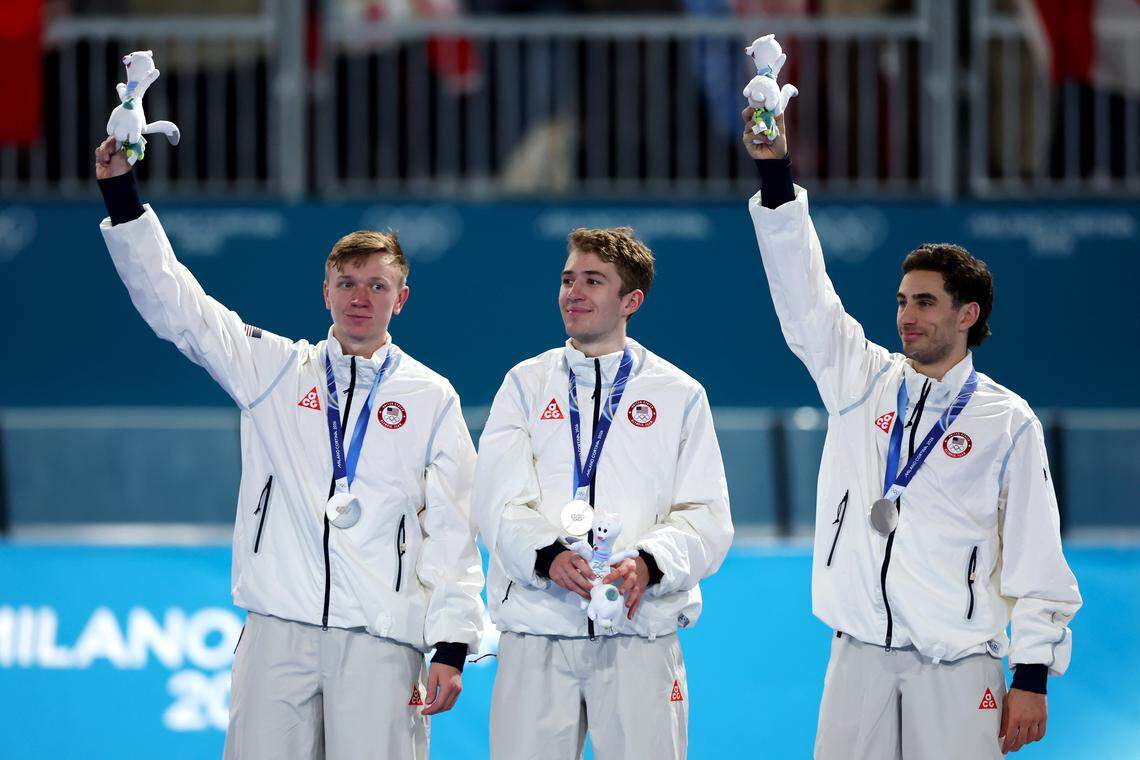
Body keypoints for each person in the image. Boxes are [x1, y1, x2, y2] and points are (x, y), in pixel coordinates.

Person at [94, 137, 484, 759]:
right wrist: (122, 195)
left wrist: (454, 643)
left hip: (382, 638)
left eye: (378, 286)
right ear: (324, 291)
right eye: (348, 283)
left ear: (401, 299)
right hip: (279, 631)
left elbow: (455, 530)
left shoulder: (431, 396)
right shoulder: (274, 369)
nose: (361, 297)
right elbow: (179, 309)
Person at [742, 108, 1082, 758]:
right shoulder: (860, 381)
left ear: (967, 313)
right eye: (901, 301)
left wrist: (1032, 675)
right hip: (858, 661)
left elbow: (1038, 559)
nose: (905, 316)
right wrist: (775, 168)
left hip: (959, 671)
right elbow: (803, 292)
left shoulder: (1006, 422)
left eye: (924, 302)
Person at [472, 226, 733, 759]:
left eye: (594, 281)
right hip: (538, 629)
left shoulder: (679, 395)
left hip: (640, 633)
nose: (575, 292)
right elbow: (495, 499)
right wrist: (545, 555)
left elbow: (706, 516)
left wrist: (650, 563)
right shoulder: (524, 384)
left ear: (631, 300)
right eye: (569, 279)